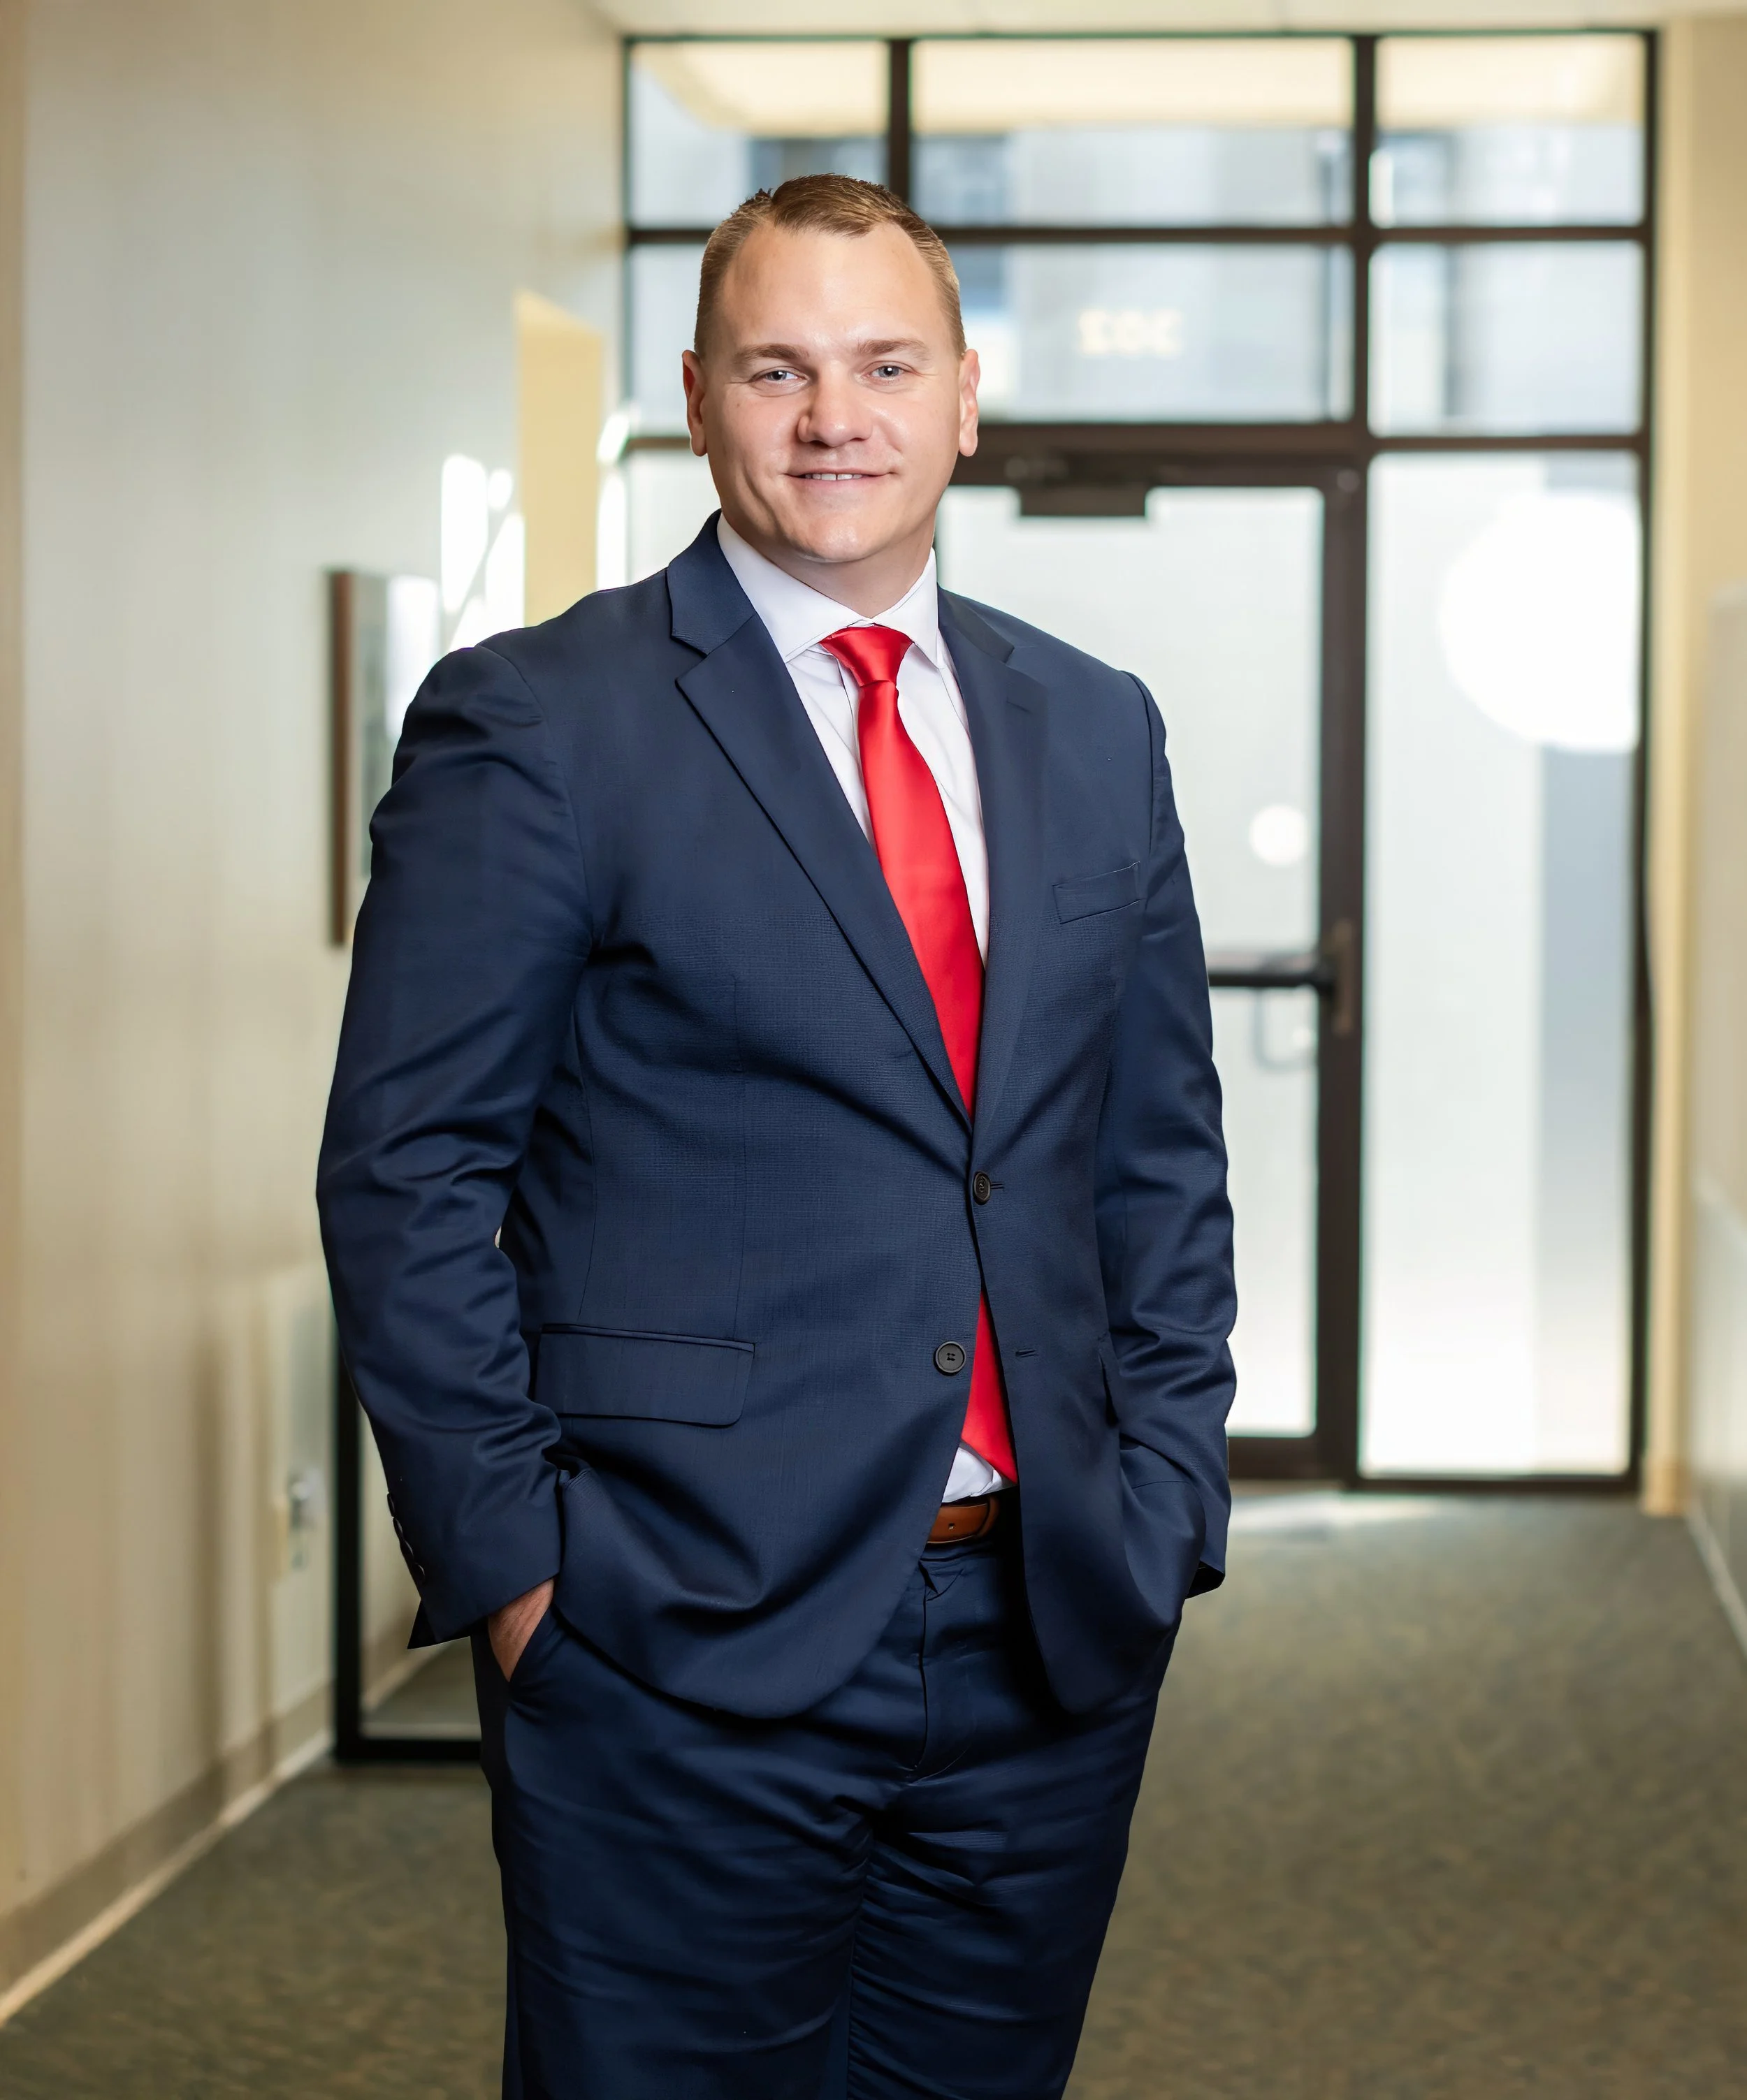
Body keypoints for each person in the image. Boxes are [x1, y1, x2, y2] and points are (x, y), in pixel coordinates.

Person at [318, 174, 1235, 2100]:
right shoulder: (541, 723)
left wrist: (1162, 1497)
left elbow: (1148, 1157)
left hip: (1047, 1622)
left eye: (887, 364)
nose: (838, 416)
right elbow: (409, 1175)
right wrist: (517, 1568)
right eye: (780, 368)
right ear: (699, 396)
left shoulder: (1095, 726)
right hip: (668, 1626)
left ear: (965, 396)